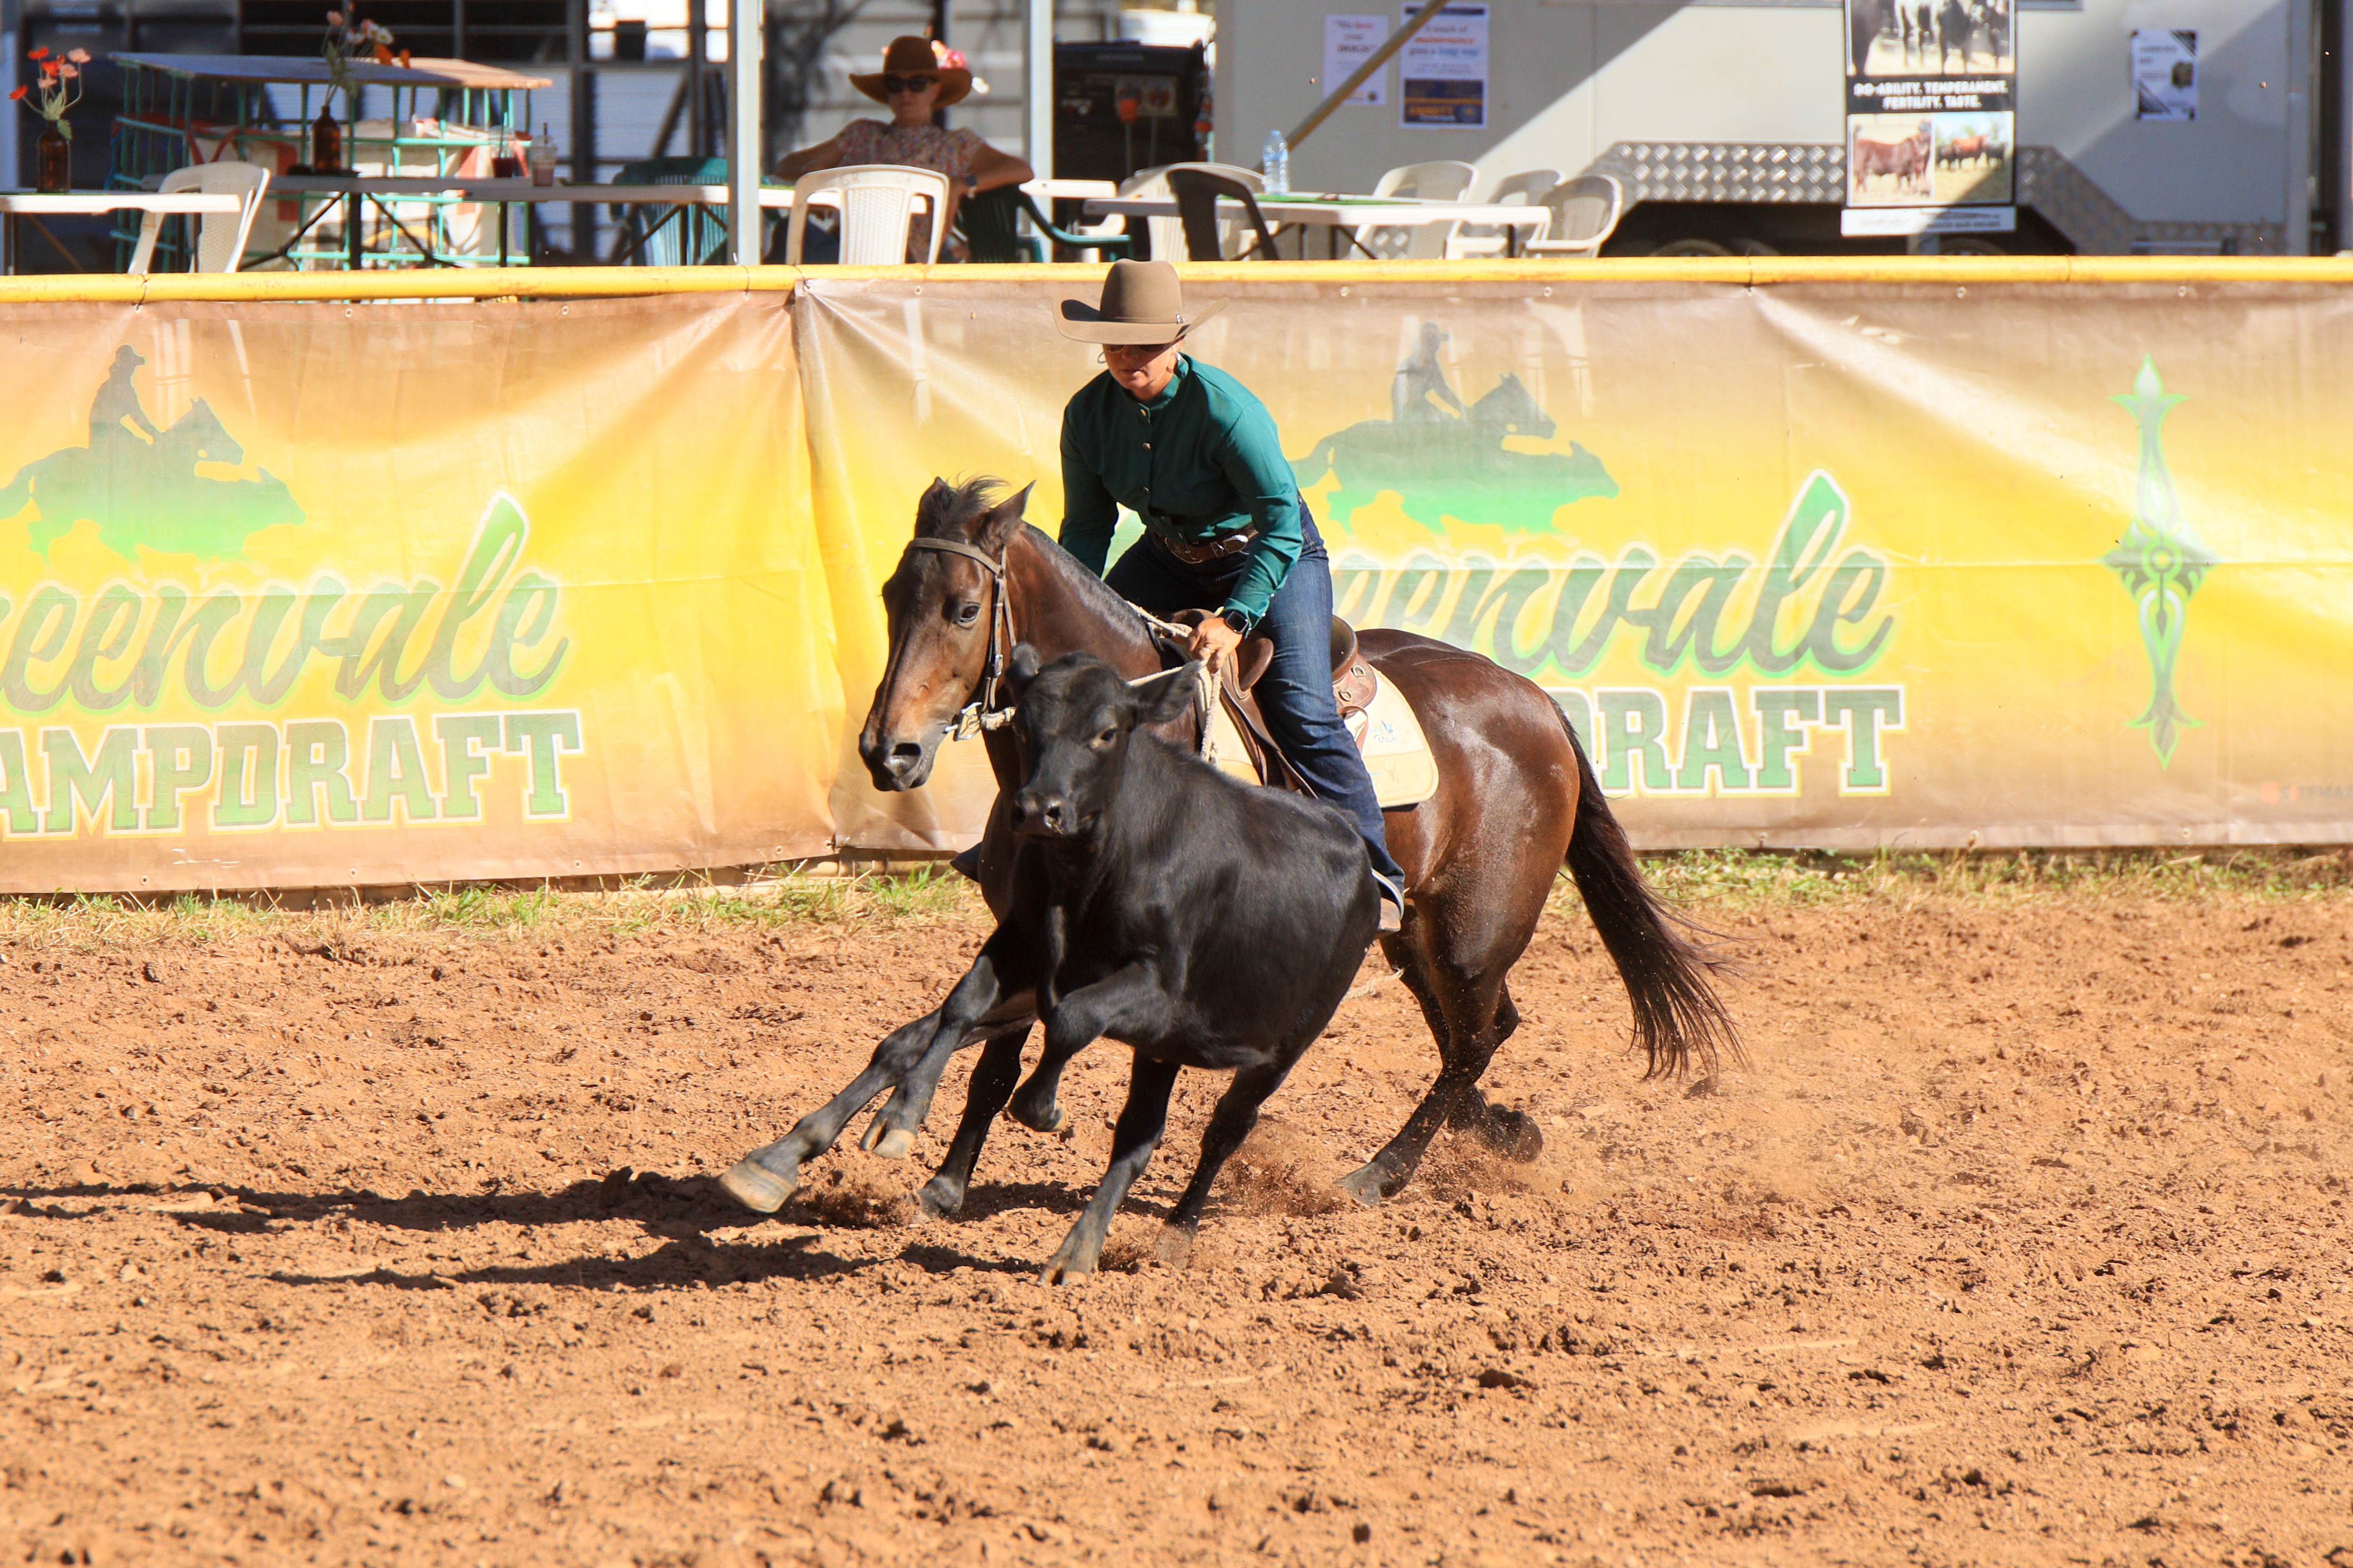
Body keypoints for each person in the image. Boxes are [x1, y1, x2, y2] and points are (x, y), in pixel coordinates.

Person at [1053, 261, 1409, 933]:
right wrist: (1074, 617)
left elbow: (1280, 523)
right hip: (1167, 556)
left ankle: (1374, 874)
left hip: (1271, 553)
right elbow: (1087, 529)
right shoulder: (1086, 414)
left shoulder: (1225, 408)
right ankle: (1043, 841)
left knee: (1301, 705)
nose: (1129, 357)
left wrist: (1236, 618)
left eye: (1145, 343)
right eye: (1116, 343)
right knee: (1077, 677)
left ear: (1176, 342)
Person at [771, 36, 1033, 262]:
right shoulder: (863, 134)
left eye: (917, 84)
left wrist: (962, 184)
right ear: (887, 93)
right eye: (895, 85)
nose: (905, 93)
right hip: (845, 249)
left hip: (902, 262)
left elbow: (1020, 169)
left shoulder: (956, 144)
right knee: (787, 232)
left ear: (935, 90)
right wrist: (815, 174)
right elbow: (786, 166)